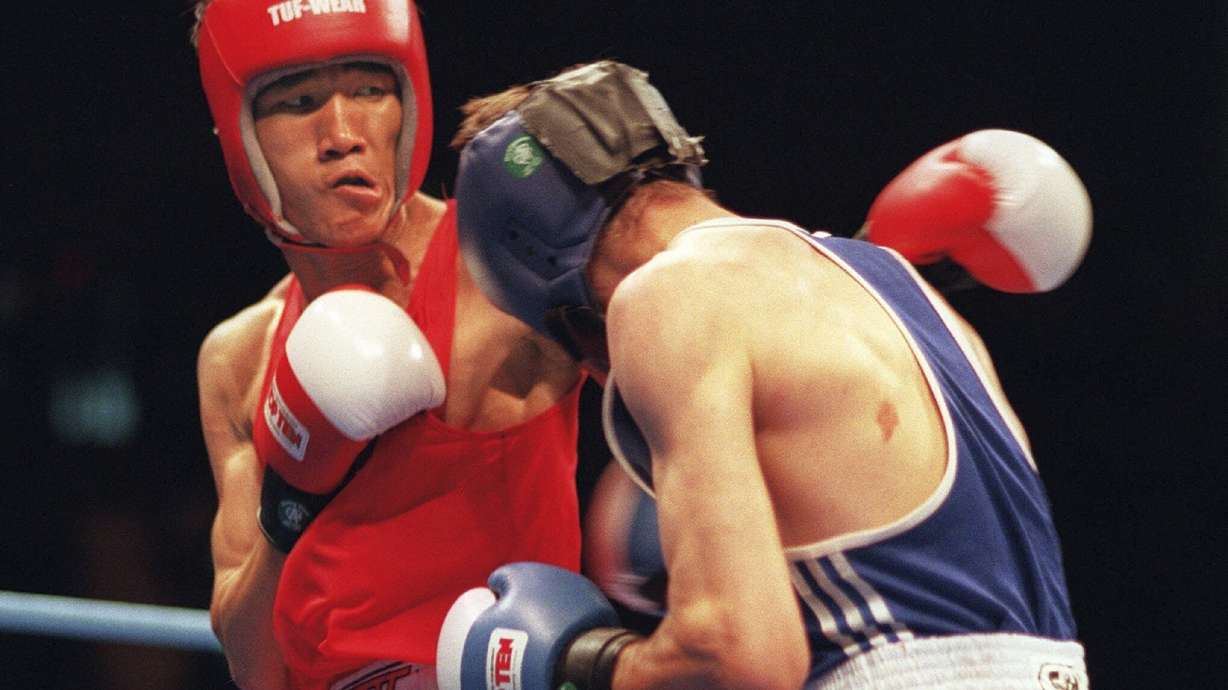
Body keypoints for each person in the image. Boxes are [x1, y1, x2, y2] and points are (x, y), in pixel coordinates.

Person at [435, 61, 1092, 689]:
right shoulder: (906, 290)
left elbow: (740, 658)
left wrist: (579, 664)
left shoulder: (666, 296)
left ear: (555, 303)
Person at [191, 3, 587, 688]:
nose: (343, 134)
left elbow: (721, 329)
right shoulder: (238, 358)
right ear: (241, 138)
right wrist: (290, 504)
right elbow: (254, 666)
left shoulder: (504, 273)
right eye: (299, 101)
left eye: (369, 91)